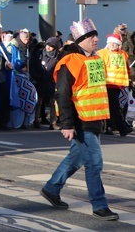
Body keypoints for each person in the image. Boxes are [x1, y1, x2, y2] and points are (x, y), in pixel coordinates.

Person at [40, 18, 118, 221]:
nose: (96, 39)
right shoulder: (70, 61)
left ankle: (51, 188)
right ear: (81, 39)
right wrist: (66, 124)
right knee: (94, 162)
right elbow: (62, 94)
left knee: (77, 158)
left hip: (94, 120)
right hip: (80, 120)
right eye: (92, 36)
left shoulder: (94, 58)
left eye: (96, 36)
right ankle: (99, 205)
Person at [97, 33, 132, 136]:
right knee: (114, 107)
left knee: (113, 107)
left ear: (119, 45)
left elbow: (127, 68)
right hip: (107, 84)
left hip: (120, 85)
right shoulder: (101, 53)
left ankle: (109, 126)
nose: (113, 45)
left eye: (115, 43)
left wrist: (129, 80)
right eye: (111, 43)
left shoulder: (123, 54)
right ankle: (122, 128)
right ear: (108, 43)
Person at [30, 36, 62, 130]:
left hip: (51, 82)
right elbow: (32, 65)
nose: (48, 47)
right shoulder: (40, 54)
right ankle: (36, 120)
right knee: (38, 102)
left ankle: (53, 122)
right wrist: (36, 76)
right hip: (40, 81)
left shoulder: (58, 57)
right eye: (47, 45)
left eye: (51, 46)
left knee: (53, 103)